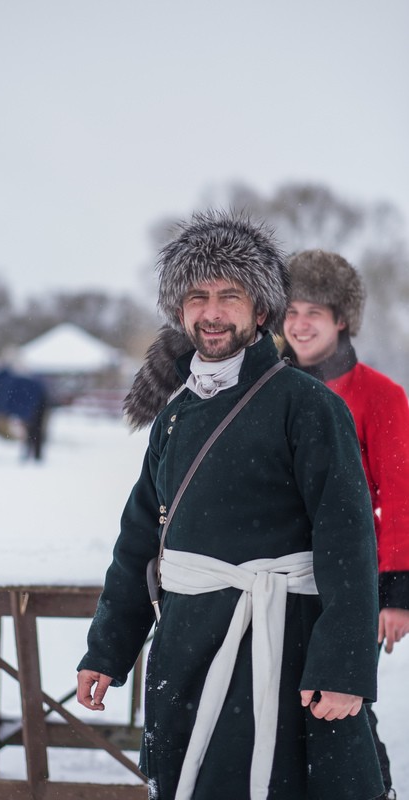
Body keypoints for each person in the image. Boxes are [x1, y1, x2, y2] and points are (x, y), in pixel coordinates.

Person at [77, 211, 384, 800]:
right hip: (188, 647)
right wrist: (108, 649)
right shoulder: (172, 417)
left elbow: (347, 542)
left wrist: (343, 667)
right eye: (197, 297)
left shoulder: (309, 406)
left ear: (260, 311)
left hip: (279, 645)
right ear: (180, 310)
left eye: (228, 295)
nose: (211, 312)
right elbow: (140, 543)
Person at [283, 249, 409, 799]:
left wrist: (395, 590)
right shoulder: (268, 393)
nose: (300, 324)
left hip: (346, 587)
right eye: (290, 311)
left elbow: (400, 498)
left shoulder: (381, 396)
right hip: (276, 586)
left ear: (341, 320)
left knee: (345, 721)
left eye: (314, 311)